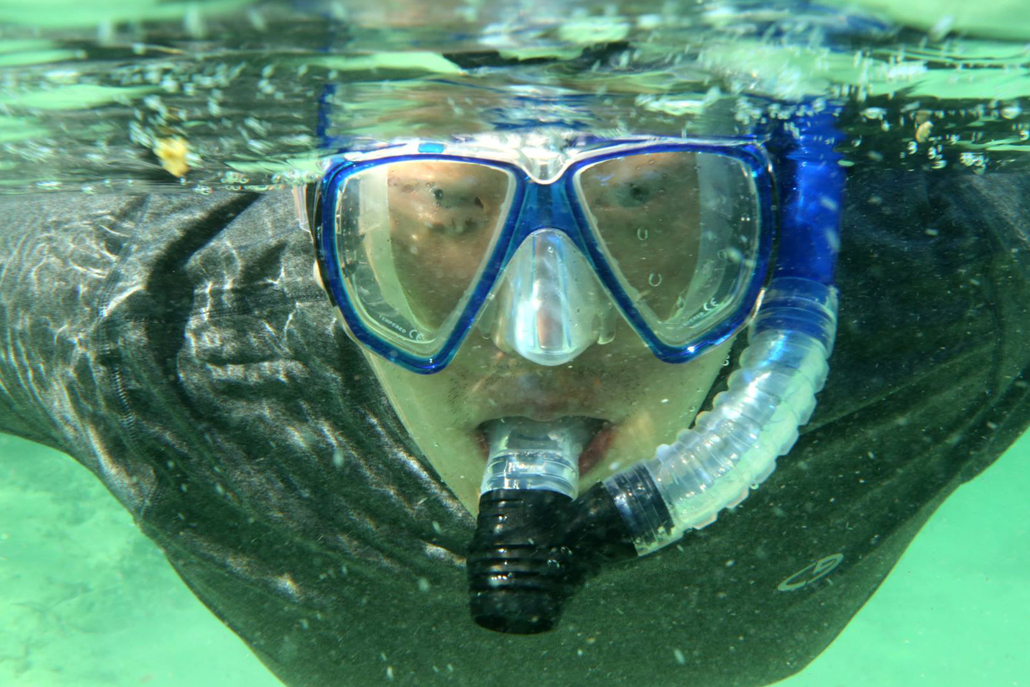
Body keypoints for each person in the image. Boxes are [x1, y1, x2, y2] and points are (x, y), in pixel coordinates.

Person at [1, 112, 1028, 687]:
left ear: (759, 245)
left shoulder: (963, 297)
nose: (547, 335)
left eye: (639, 200)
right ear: (331, 243)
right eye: (449, 210)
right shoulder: (148, 330)